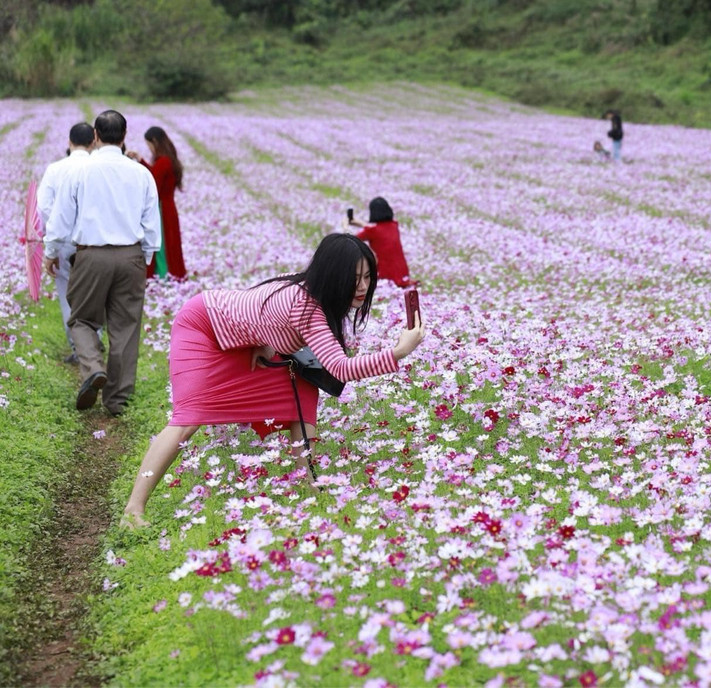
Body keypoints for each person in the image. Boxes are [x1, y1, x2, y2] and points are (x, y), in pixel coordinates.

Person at [121, 233, 426, 528]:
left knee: (304, 390)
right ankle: (133, 509)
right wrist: (400, 351)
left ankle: (309, 486)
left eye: (367, 277)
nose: (362, 287)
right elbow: (340, 368)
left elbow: (259, 302)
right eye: (354, 278)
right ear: (332, 275)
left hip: (241, 339)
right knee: (188, 418)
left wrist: (263, 341)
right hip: (201, 327)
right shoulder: (307, 309)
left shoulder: (305, 286)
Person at [44, 110, 161, 415]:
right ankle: (117, 399)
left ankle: (94, 368)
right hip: (131, 255)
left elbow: (61, 218)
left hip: (91, 254)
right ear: (124, 136)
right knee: (125, 326)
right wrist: (145, 256)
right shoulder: (140, 172)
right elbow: (151, 221)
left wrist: (51, 250)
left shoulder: (79, 171)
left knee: (82, 319)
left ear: (95, 135)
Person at [36, 122, 96, 363]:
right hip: (93, 242)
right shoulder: (97, 167)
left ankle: (77, 348)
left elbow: (44, 208)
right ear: (93, 142)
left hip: (63, 243)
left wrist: (51, 244)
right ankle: (95, 340)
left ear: (69, 142)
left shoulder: (55, 169)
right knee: (93, 293)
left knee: (67, 295)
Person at [132, 126, 187, 280]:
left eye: (149, 144)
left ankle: (163, 273)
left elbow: (153, 182)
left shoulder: (163, 161)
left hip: (162, 208)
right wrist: (140, 160)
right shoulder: (169, 159)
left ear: (154, 142)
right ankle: (167, 272)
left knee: (161, 242)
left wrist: (140, 163)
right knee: (169, 241)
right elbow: (155, 174)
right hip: (168, 206)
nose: (149, 148)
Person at [349, 197, 414, 287]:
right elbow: (377, 230)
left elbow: (352, 240)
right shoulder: (394, 225)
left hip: (386, 275)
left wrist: (345, 225)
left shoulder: (372, 231)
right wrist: (360, 223)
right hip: (403, 273)